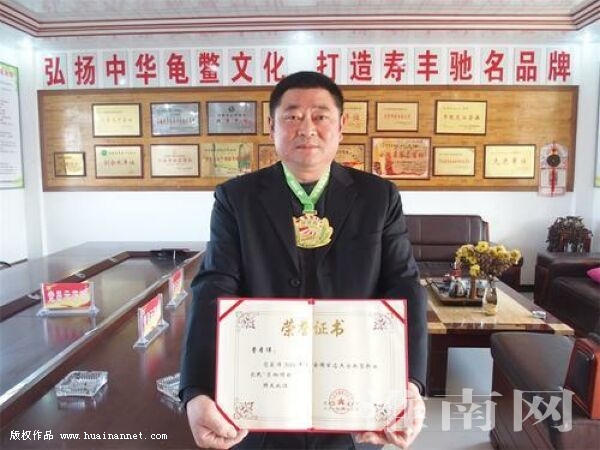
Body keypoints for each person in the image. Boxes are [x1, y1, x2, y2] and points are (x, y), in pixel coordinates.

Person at [180, 71, 428, 450]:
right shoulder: (236, 198)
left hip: (352, 397)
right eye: (292, 116)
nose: (307, 128)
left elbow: (403, 284)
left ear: (341, 126)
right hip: (262, 395)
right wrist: (196, 388)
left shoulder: (379, 197)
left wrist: (409, 383)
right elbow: (215, 285)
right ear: (272, 127)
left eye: (320, 116)